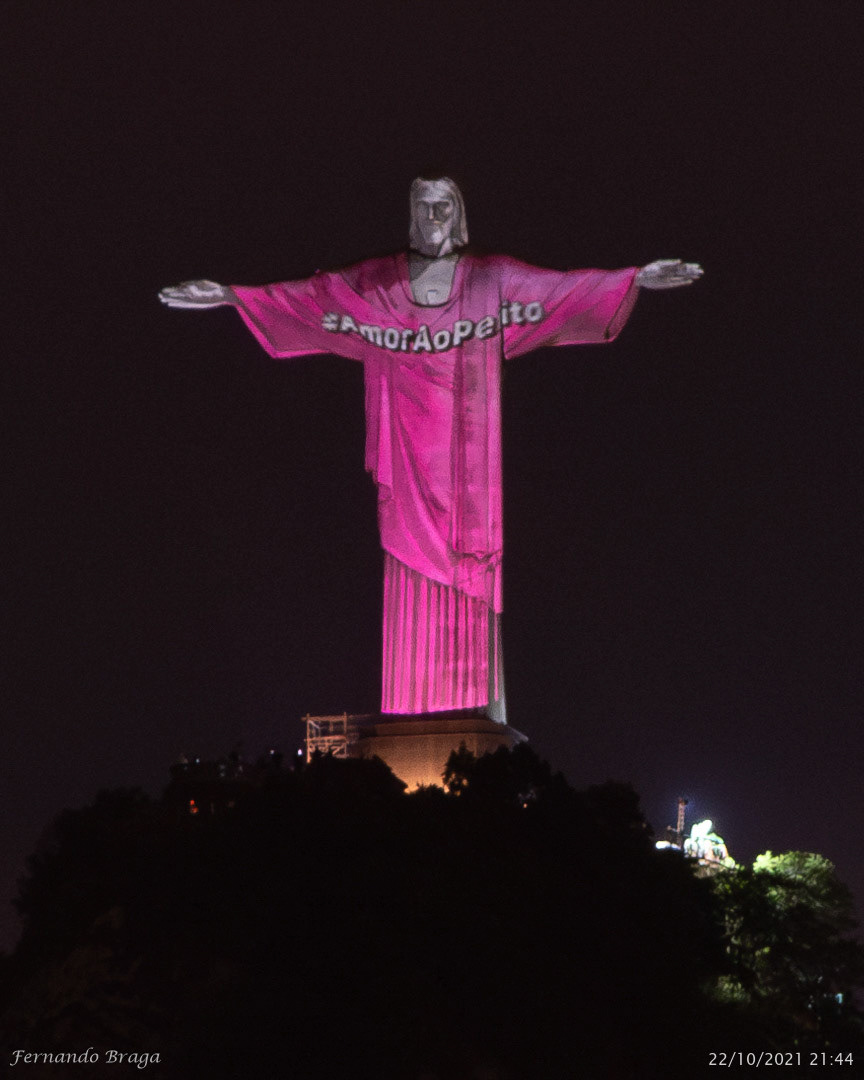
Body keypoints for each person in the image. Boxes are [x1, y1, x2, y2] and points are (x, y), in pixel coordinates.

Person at [160, 177, 702, 723]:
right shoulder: (376, 285)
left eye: (444, 204)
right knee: (406, 566)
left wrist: (634, 278)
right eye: (423, 205)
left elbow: (561, 290)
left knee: (470, 581)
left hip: (468, 473)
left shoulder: (491, 281)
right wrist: (234, 296)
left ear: (460, 213)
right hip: (407, 458)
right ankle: (415, 711)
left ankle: (472, 711)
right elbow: (313, 297)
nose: (434, 214)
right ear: (411, 214)